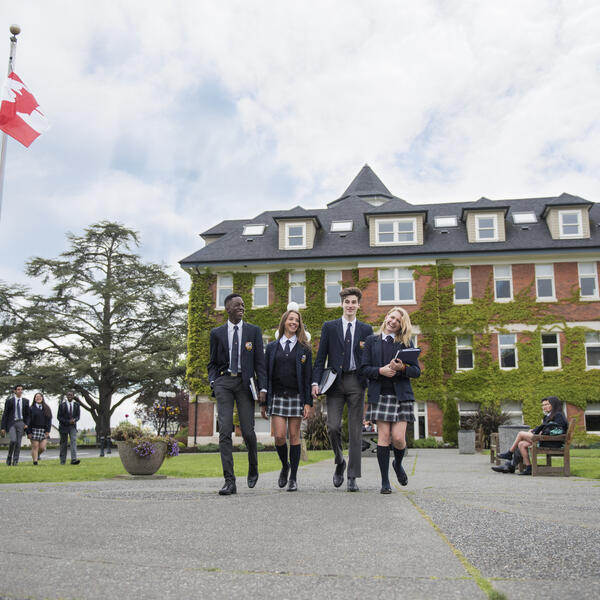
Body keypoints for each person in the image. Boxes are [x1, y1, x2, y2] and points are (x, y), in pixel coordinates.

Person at [312, 287, 374, 492]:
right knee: (333, 427)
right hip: (334, 383)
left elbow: (370, 359)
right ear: (342, 304)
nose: (350, 305)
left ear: (358, 305)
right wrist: (315, 382)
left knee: (356, 430)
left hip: (357, 382)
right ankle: (340, 461)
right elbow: (321, 357)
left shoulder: (366, 330)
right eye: (347, 302)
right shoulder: (330, 327)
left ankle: (352, 476)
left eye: (353, 302)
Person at [208, 293, 267, 496]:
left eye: (243, 305)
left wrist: (263, 388)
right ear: (227, 309)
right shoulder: (216, 333)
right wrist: (213, 382)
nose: (241, 308)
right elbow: (212, 363)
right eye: (237, 305)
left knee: (248, 431)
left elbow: (260, 362)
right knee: (225, 431)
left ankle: (253, 465)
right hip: (224, 382)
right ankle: (229, 481)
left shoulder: (254, 331)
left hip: (246, 383)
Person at [359, 307, 421, 493]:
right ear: (386, 317)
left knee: (399, 439)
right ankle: (385, 481)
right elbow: (363, 369)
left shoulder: (406, 342)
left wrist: (402, 368)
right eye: (391, 317)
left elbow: (416, 371)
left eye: (398, 320)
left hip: (401, 397)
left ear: (402, 325)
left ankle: (398, 463)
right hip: (380, 396)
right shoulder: (371, 341)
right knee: (384, 437)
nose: (393, 321)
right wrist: (380, 371)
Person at [263, 309, 313, 491]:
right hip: (277, 396)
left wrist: (308, 402)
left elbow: (308, 377)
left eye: (297, 321)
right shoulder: (271, 348)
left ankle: (293, 478)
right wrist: (263, 401)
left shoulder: (304, 349)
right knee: (279, 437)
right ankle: (285, 466)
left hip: (296, 397)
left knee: (294, 436)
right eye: (291, 319)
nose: (294, 323)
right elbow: (265, 375)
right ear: (284, 321)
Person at [493, 396, 568, 476]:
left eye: (547, 404)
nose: (544, 407)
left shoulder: (559, 415)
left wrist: (542, 432)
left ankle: (509, 453)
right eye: (543, 405)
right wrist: (535, 431)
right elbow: (545, 427)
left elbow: (558, 430)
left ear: (554, 404)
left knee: (521, 433)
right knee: (521, 444)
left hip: (552, 442)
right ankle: (528, 467)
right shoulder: (549, 416)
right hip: (546, 440)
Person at [1, 384, 30, 466]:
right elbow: (5, 414)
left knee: (18, 442)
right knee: (13, 440)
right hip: (11, 423)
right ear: (15, 391)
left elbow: (28, 415)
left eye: (21, 389)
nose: (20, 391)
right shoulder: (10, 401)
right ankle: (9, 456)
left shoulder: (25, 401)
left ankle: (15, 460)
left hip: (21, 423)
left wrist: (26, 424)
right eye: (18, 389)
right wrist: (3, 427)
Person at [28, 393, 52, 465]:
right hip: (33, 430)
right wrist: (28, 432)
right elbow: (28, 421)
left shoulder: (47, 408)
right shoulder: (31, 408)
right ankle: (35, 461)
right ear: (34, 399)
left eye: (40, 397)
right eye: (36, 397)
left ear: (42, 398)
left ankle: (36, 455)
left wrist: (48, 431)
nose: (38, 398)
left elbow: (49, 420)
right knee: (35, 447)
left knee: (42, 448)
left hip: (43, 430)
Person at [57, 391, 81, 465]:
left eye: (71, 395)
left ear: (73, 396)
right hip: (63, 426)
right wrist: (68, 421)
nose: (69, 396)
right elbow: (59, 417)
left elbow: (78, 416)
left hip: (73, 426)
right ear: (66, 396)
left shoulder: (77, 405)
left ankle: (74, 459)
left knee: (73, 441)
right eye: (68, 395)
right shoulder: (62, 405)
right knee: (63, 443)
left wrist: (74, 420)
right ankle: (62, 461)